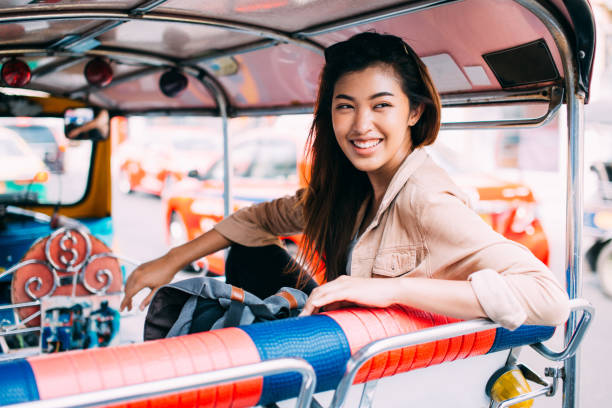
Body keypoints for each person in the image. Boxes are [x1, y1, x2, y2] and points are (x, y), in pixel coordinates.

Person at [121, 32, 569, 330]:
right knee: (244, 254)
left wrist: (391, 289)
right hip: (338, 332)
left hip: (383, 363)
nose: (361, 125)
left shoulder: (427, 199)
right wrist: (168, 261)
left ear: (414, 112)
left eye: (380, 106)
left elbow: (548, 296)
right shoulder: (349, 187)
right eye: (345, 106)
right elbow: (257, 219)